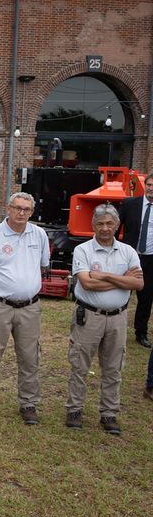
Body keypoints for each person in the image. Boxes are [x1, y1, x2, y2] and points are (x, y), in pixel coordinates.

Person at [0, 192, 49, 424]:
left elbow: (42, 266)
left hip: (30, 308)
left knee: (30, 356)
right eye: (17, 208)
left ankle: (28, 403)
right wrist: (1, 288)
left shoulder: (39, 235)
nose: (21, 213)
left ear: (31, 212)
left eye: (26, 209)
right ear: (8, 208)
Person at [67, 205, 142, 435]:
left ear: (117, 225)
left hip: (118, 318)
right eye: (100, 223)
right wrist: (122, 280)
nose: (105, 228)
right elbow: (87, 283)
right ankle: (74, 410)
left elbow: (138, 284)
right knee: (80, 365)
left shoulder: (128, 251)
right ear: (93, 225)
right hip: (89, 316)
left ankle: (109, 413)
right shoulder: (82, 250)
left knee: (113, 368)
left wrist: (105, 276)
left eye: (110, 223)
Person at [116, 174, 153, 347]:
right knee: (122, 292)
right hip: (129, 257)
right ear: (145, 185)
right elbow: (116, 227)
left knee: (146, 297)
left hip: (151, 260)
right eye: (149, 185)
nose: (151, 188)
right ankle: (115, 328)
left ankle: (141, 332)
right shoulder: (130, 204)